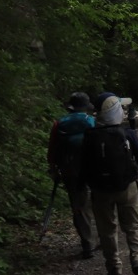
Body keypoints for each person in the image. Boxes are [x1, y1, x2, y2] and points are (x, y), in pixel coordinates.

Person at [80, 92, 138, 275]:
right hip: (127, 187)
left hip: (100, 191)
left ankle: (114, 269)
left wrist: (89, 186)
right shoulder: (128, 134)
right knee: (133, 227)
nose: (123, 111)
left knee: (107, 231)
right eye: (120, 108)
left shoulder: (89, 136)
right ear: (114, 112)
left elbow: (84, 165)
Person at [47, 92, 97, 258]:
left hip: (71, 170)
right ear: (86, 107)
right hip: (95, 169)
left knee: (78, 206)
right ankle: (106, 239)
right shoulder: (92, 121)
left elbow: (52, 150)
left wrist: (54, 169)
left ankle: (87, 244)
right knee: (101, 203)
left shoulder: (59, 123)